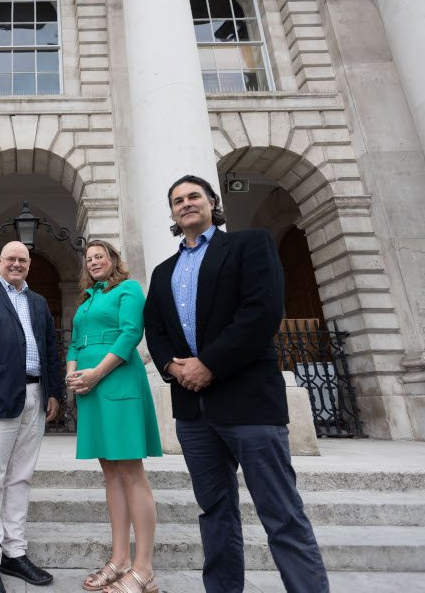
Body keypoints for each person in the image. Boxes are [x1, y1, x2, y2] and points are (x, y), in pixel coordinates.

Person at [143, 175, 329, 593]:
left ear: (213, 203)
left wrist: (208, 364)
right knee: (214, 513)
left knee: (281, 513)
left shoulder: (250, 245)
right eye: (178, 200)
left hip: (248, 403)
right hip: (193, 410)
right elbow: (155, 329)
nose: (186, 204)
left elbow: (262, 312)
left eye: (194, 196)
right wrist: (176, 368)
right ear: (171, 213)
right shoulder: (162, 271)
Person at [0, 240, 62, 593]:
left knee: (21, 478)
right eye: (11, 259)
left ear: (29, 264)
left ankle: (13, 552)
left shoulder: (37, 302)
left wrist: (54, 392)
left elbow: (51, 348)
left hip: (35, 395)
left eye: (23, 260)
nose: (16, 264)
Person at [66, 240, 162, 593]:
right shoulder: (87, 299)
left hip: (117, 379)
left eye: (99, 256)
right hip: (90, 388)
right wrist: (72, 373)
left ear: (112, 260)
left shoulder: (128, 289)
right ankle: (119, 559)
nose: (93, 262)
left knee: (130, 471)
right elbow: (75, 341)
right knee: (109, 471)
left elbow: (130, 334)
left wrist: (96, 373)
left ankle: (144, 568)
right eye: (89, 259)